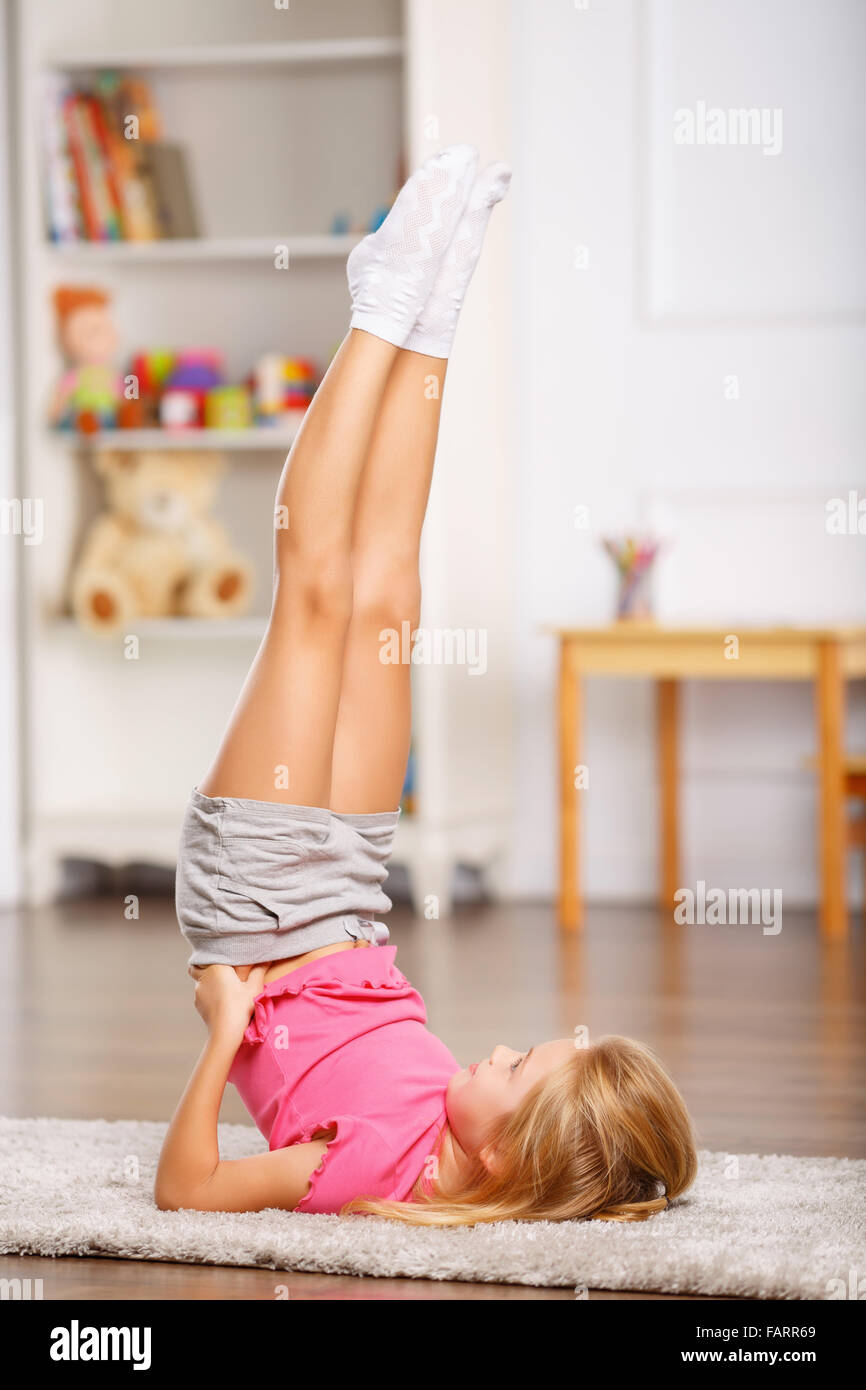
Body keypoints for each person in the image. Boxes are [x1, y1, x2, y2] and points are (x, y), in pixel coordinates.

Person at [156, 146, 697, 1225]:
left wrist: (226, 1035)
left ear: (503, 1159)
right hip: (350, 898)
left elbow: (187, 1191)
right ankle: (430, 324)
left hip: (255, 915)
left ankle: (381, 306)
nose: (496, 1047)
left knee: (315, 596)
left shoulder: (369, 1173)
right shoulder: (477, 1132)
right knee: (389, 597)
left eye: (515, 1066)